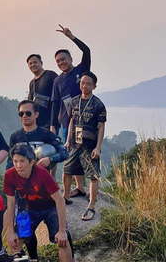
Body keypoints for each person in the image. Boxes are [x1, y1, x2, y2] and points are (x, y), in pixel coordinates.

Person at [4, 143, 73, 262]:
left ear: (32, 162)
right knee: (15, 241)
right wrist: (10, 231)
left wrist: (62, 231)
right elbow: (11, 205)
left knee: (62, 241)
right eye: (15, 161)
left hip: (50, 207)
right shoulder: (10, 175)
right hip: (30, 208)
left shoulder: (41, 173)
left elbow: (59, 200)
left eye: (22, 161)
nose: (18, 165)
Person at [49, 25, 91, 200]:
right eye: (58, 61)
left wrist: (71, 37)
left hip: (85, 121)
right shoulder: (58, 80)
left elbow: (87, 51)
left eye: (63, 59)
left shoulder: (81, 71)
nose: (61, 62)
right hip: (67, 123)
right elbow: (56, 103)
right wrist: (54, 126)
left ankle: (84, 187)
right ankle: (80, 187)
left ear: (70, 58)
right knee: (72, 152)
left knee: (83, 153)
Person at [63, 71, 106, 221]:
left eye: (88, 83)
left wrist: (98, 147)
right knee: (67, 170)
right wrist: (68, 140)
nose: (84, 86)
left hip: (89, 144)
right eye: (82, 82)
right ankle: (66, 198)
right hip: (75, 143)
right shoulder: (74, 101)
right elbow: (71, 122)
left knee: (93, 175)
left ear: (94, 86)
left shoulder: (98, 104)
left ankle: (91, 206)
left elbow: (101, 126)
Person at [8, 100, 68, 175]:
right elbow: (10, 161)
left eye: (28, 113)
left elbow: (64, 153)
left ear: (36, 114)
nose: (24, 116)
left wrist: (50, 159)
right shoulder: (15, 136)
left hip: (41, 180)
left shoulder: (47, 134)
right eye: (21, 113)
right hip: (21, 181)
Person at [26, 54, 58, 129]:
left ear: (41, 63)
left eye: (35, 62)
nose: (33, 65)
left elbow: (59, 94)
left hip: (51, 120)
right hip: (37, 122)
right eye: (30, 64)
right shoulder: (32, 83)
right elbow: (30, 102)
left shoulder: (50, 75)